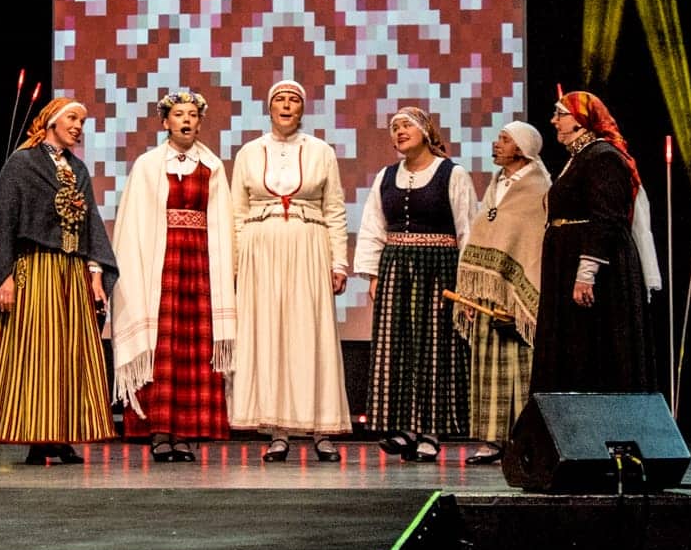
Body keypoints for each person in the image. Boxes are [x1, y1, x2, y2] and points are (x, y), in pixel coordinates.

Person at [0, 96, 117, 465]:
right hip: (37, 270)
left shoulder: (78, 170)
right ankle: (38, 436)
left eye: (82, 121)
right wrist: (4, 276)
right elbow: (2, 221)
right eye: (72, 118)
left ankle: (62, 434)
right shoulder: (22, 164)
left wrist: (95, 275)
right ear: (51, 122)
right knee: (38, 354)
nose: (78, 126)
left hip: (71, 273)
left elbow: (91, 226)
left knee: (70, 355)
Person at [111, 88, 236, 461]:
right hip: (160, 263)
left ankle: (186, 432)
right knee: (164, 346)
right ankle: (160, 431)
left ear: (199, 122)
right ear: (165, 122)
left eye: (192, 115)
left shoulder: (212, 166)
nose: (186, 120)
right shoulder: (149, 165)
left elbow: (222, 222)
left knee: (194, 347)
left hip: (198, 265)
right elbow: (134, 223)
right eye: (178, 114)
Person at [229, 79, 351, 462]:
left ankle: (323, 430)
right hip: (260, 247)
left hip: (307, 243)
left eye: (294, 100)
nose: (286, 105)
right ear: (269, 108)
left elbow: (334, 209)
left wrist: (338, 262)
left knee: (310, 332)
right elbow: (236, 212)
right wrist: (234, 266)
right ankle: (277, 430)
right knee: (270, 336)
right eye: (279, 99)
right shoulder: (250, 151)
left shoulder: (320, 151)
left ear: (302, 109)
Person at [353, 107, 477, 462]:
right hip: (396, 269)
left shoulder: (452, 174)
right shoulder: (386, 176)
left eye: (406, 125)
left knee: (435, 348)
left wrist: (466, 282)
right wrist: (374, 274)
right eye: (394, 127)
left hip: (439, 270)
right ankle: (406, 427)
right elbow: (373, 227)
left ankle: (430, 431)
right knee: (398, 348)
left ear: (425, 131)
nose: (399, 131)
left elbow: (467, 229)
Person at [532, 91, 655, 393]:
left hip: (597, 268)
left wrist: (586, 274)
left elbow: (606, 218)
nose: (554, 121)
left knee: (592, 343)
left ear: (581, 120)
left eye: (560, 114)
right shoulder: (579, 158)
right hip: (567, 258)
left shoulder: (603, 157)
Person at [452, 120, 550, 465]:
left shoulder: (539, 189)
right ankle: (491, 438)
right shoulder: (497, 185)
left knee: (520, 368)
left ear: (522, 149)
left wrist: (516, 293)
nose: (496, 145)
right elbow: (485, 232)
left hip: (516, 299)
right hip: (486, 295)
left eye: (505, 140)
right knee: (486, 366)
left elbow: (531, 242)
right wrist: (471, 288)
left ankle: (522, 438)